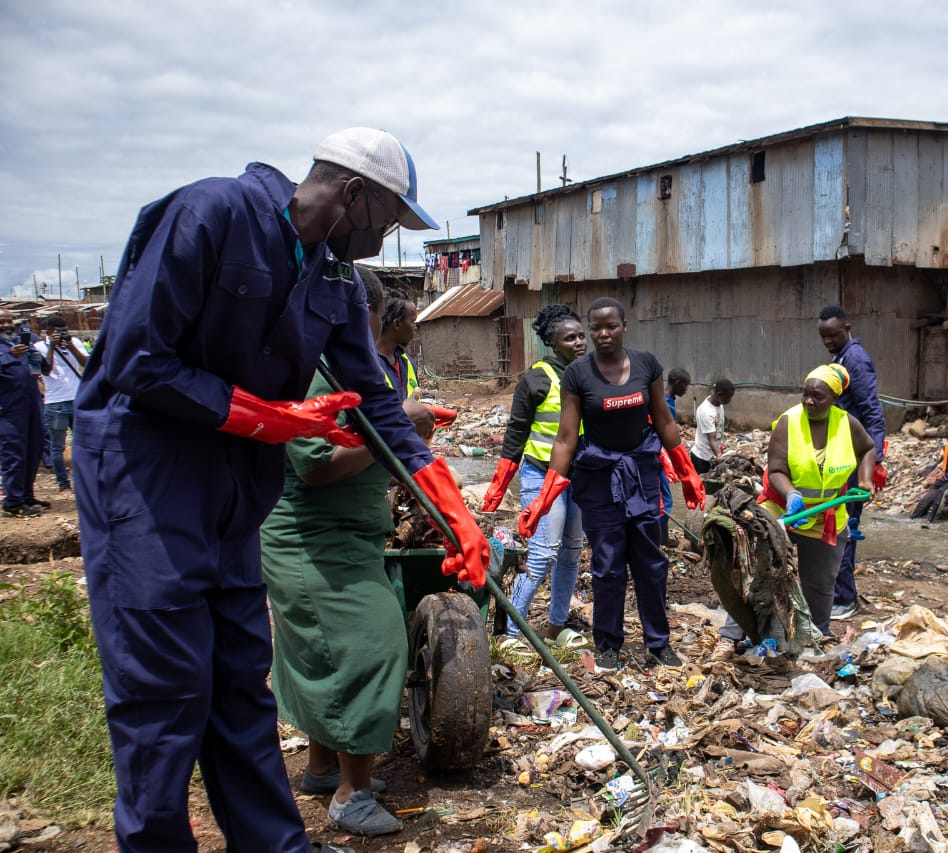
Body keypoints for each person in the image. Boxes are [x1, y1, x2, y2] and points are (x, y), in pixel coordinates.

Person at [73, 127, 489, 853]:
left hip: (238, 486)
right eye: (390, 217)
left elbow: (379, 407)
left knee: (239, 683)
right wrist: (268, 415)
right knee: (165, 691)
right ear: (353, 194)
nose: (388, 237)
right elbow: (139, 359)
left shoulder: (328, 279)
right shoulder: (212, 213)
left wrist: (456, 515)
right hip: (147, 475)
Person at [260, 270, 432, 836]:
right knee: (373, 647)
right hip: (314, 540)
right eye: (379, 317)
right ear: (366, 315)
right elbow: (316, 466)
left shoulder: (338, 366)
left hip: (342, 536)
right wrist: (394, 431)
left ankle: (321, 765)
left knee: (321, 652)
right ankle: (350, 795)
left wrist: (401, 434)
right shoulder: (315, 371)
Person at [519, 297, 705, 670]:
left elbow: (665, 422)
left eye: (611, 326)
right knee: (606, 566)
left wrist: (687, 473)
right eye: (597, 328)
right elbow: (566, 437)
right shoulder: (578, 374)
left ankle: (658, 643)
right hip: (600, 477)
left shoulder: (646, 365)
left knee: (651, 562)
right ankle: (608, 646)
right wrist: (546, 494)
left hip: (642, 474)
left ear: (624, 327)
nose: (603, 334)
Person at [712, 365, 875, 659]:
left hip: (826, 513)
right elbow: (775, 470)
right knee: (755, 571)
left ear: (835, 399)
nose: (809, 401)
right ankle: (731, 635)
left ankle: (817, 637)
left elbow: (868, 448)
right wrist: (792, 495)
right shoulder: (789, 422)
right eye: (806, 394)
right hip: (782, 505)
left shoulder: (847, 424)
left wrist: (864, 479)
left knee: (821, 582)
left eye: (818, 396)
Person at [482, 304, 588, 642]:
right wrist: (498, 488)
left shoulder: (591, 374)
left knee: (571, 553)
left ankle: (556, 626)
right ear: (553, 344)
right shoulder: (536, 378)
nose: (580, 342)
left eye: (581, 335)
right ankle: (511, 633)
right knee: (543, 554)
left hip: (579, 479)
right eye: (570, 338)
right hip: (541, 476)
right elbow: (515, 434)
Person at [817, 305, 887, 621]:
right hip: (842, 457)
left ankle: (844, 598)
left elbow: (872, 412)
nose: (828, 341)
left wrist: (875, 464)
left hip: (856, 459)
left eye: (832, 334)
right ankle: (837, 593)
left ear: (847, 327)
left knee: (842, 527)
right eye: (823, 336)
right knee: (834, 526)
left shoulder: (855, 360)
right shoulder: (841, 359)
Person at [0, 309, 47, 517]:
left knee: (33, 451)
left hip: (32, 406)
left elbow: (45, 369)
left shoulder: (21, 343)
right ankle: (12, 503)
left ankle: (27, 495)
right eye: (2, 321)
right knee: (13, 455)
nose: (7, 324)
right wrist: (10, 356)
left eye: (9, 320)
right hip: (8, 410)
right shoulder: (7, 349)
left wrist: (39, 352)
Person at [34, 316, 87, 492]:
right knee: (57, 447)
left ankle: (84, 481)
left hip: (78, 399)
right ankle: (63, 483)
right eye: (58, 331)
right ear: (48, 332)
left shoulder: (74, 342)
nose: (62, 334)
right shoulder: (39, 347)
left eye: (64, 330)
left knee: (83, 443)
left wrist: (70, 346)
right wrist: (52, 348)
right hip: (55, 403)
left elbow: (86, 363)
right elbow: (45, 370)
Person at [659, 367, 691, 540]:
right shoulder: (663, 403)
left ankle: (661, 537)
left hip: (662, 457)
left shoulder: (667, 401)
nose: (686, 390)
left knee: (664, 497)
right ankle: (661, 539)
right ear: (677, 383)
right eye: (685, 386)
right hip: (659, 458)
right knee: (664, 498)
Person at [377, 292, 420, 399]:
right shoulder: (368, 363)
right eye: (412, 322)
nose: (415, 327)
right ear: (397, 324)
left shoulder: (408, 362)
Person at [691, 378, 735, 475]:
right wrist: (720, 457)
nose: (730, 400)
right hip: (702, 459)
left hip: (712, 455)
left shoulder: (719, 404)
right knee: (703, 488)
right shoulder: (705, 411)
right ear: (719, 394)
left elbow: (717, 428)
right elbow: (712, 440)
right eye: (728, 397)